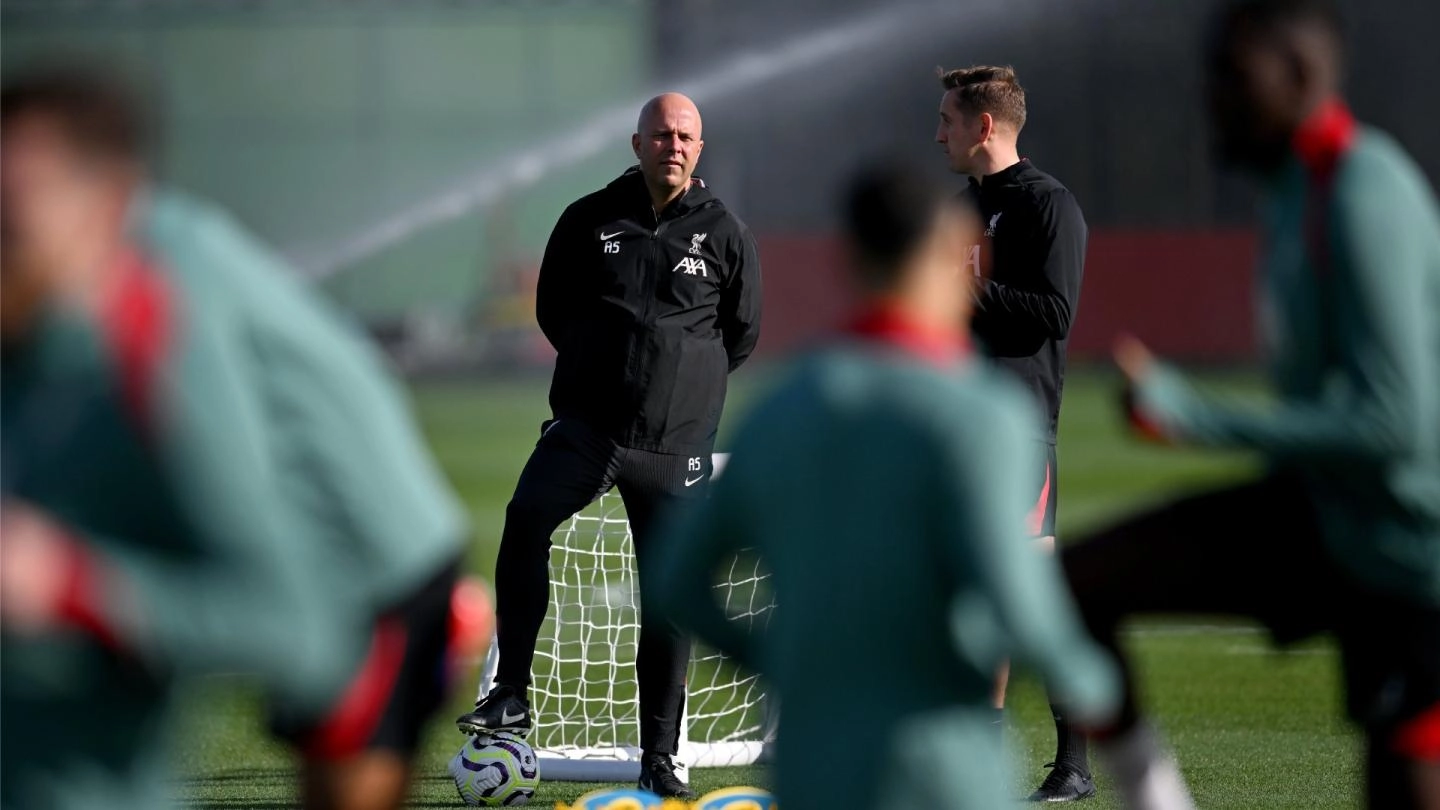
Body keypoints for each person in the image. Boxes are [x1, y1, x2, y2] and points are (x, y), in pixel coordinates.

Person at [0, 70, 481, 810]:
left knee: (341, 781)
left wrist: (71, 586)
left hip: (375, 558)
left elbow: (277, 615)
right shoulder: (89, 272)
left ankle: (446, 621)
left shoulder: (160, 310)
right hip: (289, 540)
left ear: (102, 199)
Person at [648, 160, 1118, 810]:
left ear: (847, 260)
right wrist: (1097, 686)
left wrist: (777, 659)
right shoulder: (986, 415)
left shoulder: (780, 410)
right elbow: (1025, 610)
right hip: (944, 773)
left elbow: (674, 578)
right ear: (950, 254)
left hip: (815, 770)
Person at [1062, 2, 1440, 808]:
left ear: (1301, 78)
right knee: (1075, 586)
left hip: (1416, 559)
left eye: (1232, 79)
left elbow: (1395, 422)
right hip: (1331, 519)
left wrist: (1193, 413)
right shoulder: (1291, 191)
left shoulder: (1365, 189)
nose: (1212, 99)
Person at [453, 92, 762, 799]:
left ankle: (659, 757)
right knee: (527, 514)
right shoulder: (589, 219)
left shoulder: (725, 233)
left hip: (675, 447)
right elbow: (552, 309)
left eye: (685, 137)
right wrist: (603, 365)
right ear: (636, 143)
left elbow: (740, 334)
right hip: (589, 429)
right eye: (660, 135)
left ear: (699, 148)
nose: (672, 146)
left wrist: (678, 384)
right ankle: (511, 691)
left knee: (668, 598)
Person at [934, 64, 1093, 801]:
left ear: (984, 127)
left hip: (1018, 433)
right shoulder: (959, 209)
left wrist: (969, 289)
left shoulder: (1048, 205)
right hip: (957, 429)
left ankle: (1073, 762)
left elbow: (1054, 313)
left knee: (1018, 599)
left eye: (948, 121)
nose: (939, 134)